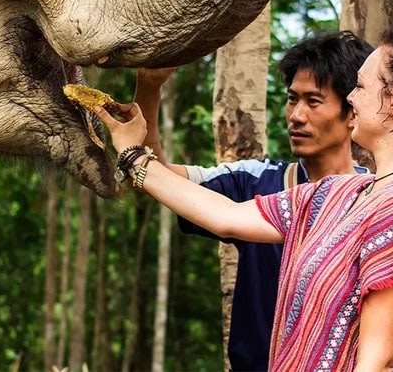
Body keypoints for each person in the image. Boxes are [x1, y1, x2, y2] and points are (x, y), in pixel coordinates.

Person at [96, 15, 393, 371]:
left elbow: (379, 362)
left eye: (360, 86)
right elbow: (225, 215)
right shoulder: (341, 194)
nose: (352, 97)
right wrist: (133, 154)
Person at [133, 31, 373, 372]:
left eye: (313, 101)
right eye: (292, 99)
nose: (296, 115)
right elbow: (158, 177)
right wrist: (149, 88)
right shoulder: (257, 182)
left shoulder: (376, 199)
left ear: (352, 112)